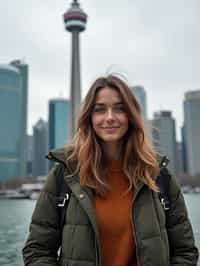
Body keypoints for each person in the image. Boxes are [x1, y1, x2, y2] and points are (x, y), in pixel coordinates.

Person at [23, 74, 198, 266]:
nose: (109, 117)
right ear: (89, 117)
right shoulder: (65, 175)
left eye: (119, 109)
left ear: (131, 116)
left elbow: (185, 251)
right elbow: (38, 250)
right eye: (100, 110)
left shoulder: (158, 175)